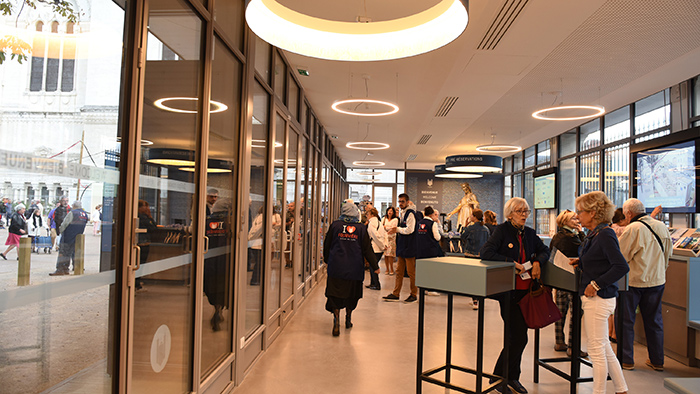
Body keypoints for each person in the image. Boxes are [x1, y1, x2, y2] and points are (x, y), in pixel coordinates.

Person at [480, 197, 549, 394]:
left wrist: (538, 263)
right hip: (508, 292)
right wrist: (511, 262)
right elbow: (486, 252)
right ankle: (504, 378)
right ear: (510, 214)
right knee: (517, 336)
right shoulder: (502, 231)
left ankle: (506, 377)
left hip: (526, 292)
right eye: (519, 211)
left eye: (526, 211)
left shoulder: (529, 233)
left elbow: (544, 250)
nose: (524, 215)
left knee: (517, 336)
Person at [570, 191, 629, 394]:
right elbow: (602, 260)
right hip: (597, 299)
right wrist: (581, 261)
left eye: (580, 212)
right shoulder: (595, 233)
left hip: (599, 299)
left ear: (593, 213)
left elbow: (621, 266)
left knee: (595, 351)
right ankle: (621, 389)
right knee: (603, 347)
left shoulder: (605, 234)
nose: (577, 216)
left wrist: (596, 285)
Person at [618, 198, 672, 372]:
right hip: (657, 281)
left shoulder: (632, 229)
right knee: (654, 321)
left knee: (626, 321)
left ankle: (627, 360)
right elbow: (668, 253)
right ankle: (657, 361)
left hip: (633, 282)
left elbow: (621, 257)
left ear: (628, 213)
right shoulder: (661, 227)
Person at [323, 201, 379, 336]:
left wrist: (327, 260)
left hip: (337, 267)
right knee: (352, 295)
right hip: (354, 269)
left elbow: (327, 244)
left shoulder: (335, 225)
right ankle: (348, 320)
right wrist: (374, 266)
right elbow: (367, 249)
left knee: (335, 295)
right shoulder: (360, 228)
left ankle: (336, 320)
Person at [550, 209, 587, 357]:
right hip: (574, 278)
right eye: (574, 219)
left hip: (560, 278)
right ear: (565, 221)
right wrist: (581, 232)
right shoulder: (572, 237)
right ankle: (573, 346)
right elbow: (585, 249)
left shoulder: (557, 236)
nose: (577, 220)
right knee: (576, 313)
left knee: (560, 312)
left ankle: (559, 341)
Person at [383, 193, 420, 303]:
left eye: (402, 201)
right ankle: (396, 293)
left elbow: (410, 230)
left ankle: (413, 294)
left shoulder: (411, 214)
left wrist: (397, 229)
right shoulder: (403, 213)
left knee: (411, 272)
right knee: (399, 271)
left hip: (410, 247)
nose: (400, 204)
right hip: (402, 246)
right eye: (399, 201)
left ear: (408, 202)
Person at [205, 198, 232, 331]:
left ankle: (216, 307)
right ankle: (219, 309)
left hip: (209, 260)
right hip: (225, 261)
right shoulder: (230, 222)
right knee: (224, 285)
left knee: (211, 285)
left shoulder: (206, 221)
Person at [49, 200, 89, 276]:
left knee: (63, 253)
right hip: (77, 237)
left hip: (68, 236)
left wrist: (60, 231)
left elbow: (65, 224)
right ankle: (66, 269)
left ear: (74, 206)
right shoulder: (85, 214)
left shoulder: (72, 213)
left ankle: (61, 269)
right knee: (71, 253)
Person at [461, 208, 490, 309]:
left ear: (474, 217)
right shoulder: (486, 229)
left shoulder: (470, 228)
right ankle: (479, 299)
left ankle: (474, 301)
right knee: (479, 278)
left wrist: (464, 226)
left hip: (470, 256)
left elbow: (462, 236)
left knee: (471, 278)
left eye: (471, 215)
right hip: (481, 257)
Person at [365, 207, 386, 290]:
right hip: (378, 248)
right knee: (372, 265)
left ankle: (376, 284)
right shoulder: (379, 222)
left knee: (373, 266)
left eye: (368, 214)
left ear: (372, 215)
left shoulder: (371, 224)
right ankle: (373, 283)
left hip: (375, 248)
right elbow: (384, 234)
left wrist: (381, 245)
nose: (367, 216)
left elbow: (375, 236)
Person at [381, 206, 398, 275]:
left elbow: (393, 228)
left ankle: (391, 269)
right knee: (385, 255)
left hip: (392, 238)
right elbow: (381, 227)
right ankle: (387, 269)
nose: (389, 212)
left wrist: (386, 227)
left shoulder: (395, 219)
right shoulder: (384, 219)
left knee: (390, 254)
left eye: (391, 211)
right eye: (388, 210)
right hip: (385, 239)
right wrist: (387, 228)